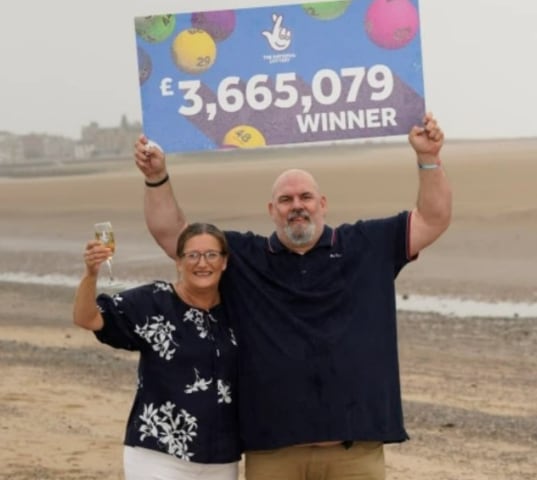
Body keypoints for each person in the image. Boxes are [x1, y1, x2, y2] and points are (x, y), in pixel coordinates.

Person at [133, 113, 452, 480]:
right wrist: (156, 177)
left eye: (305, 197)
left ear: (323, 204)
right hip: (273, 451)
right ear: (272, 210)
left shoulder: (368, 245)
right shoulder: (240, 257)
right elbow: (174, 236)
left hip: (354, 451)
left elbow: (433, 218)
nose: (296, 205)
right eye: (285, 199)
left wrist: (429, 158)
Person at [72, 223, 240, 480]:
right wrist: (90, 274)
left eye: (211, 255)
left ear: (224, 262)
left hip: (221, 455)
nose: (202, 263)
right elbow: (88, 318)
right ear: (178, 262)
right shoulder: (153, 302)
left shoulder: (238, 310)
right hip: (158, 452)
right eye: (192, 255)